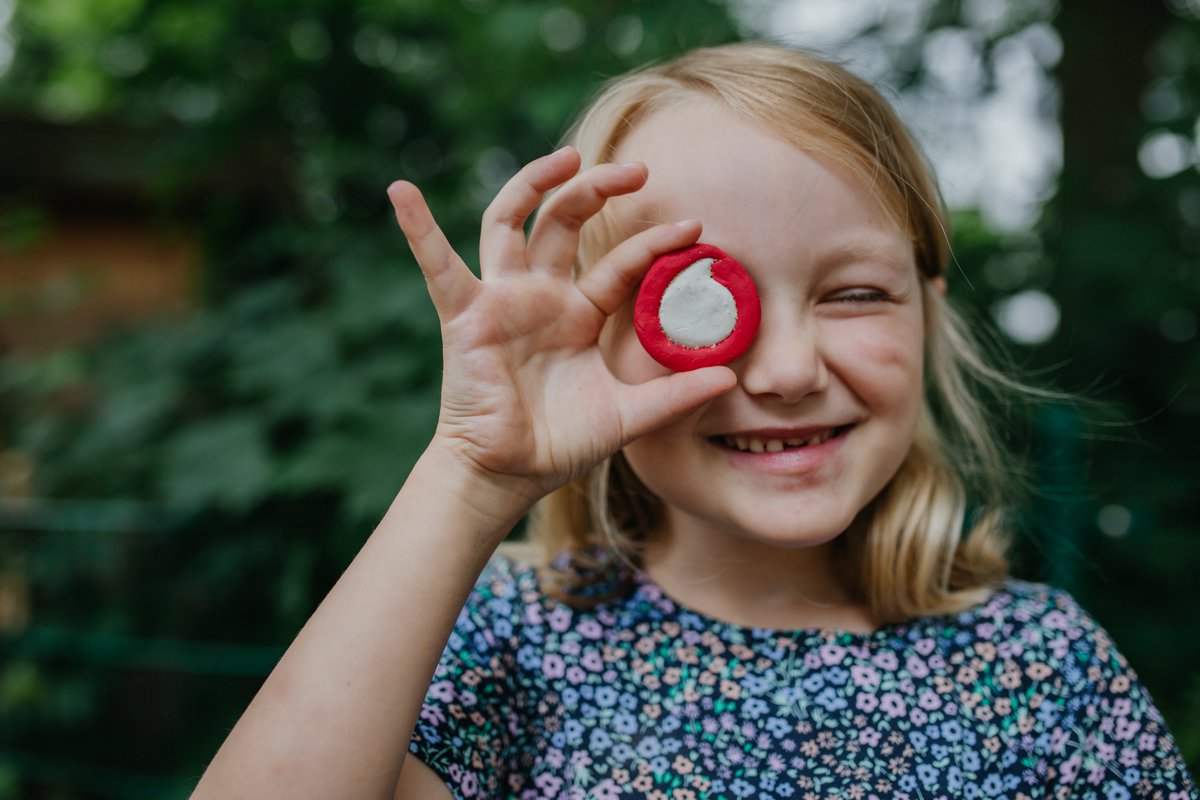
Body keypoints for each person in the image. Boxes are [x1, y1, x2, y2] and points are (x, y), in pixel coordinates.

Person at [192, 42, 1197, 800]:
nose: (791, 369)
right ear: (589, 335)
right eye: (697, 304)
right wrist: (469, 473)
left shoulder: (1039, 668)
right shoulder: (515, 644)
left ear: (929, 309)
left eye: (851, 294)